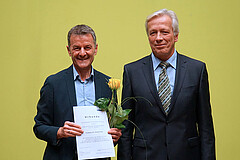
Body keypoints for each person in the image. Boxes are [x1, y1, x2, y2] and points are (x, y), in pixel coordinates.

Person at [117, 9, 215, 160]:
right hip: (146, 156)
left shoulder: (197, 70)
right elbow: (126, 126)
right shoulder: (132, 71)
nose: (158, 38)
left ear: (175, 36)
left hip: (187, 155)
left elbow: (205, 126)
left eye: (164, 32)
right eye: (153, 33)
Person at [33, 24, 122, 160]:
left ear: (95, 49)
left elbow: (113, 127)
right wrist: (59, 132)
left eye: (87, 47)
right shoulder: (53, 83)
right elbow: (39, 127)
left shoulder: (108, 84)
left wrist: (115, 136)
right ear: (69, 51)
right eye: (76, 48)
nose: (82, 53)